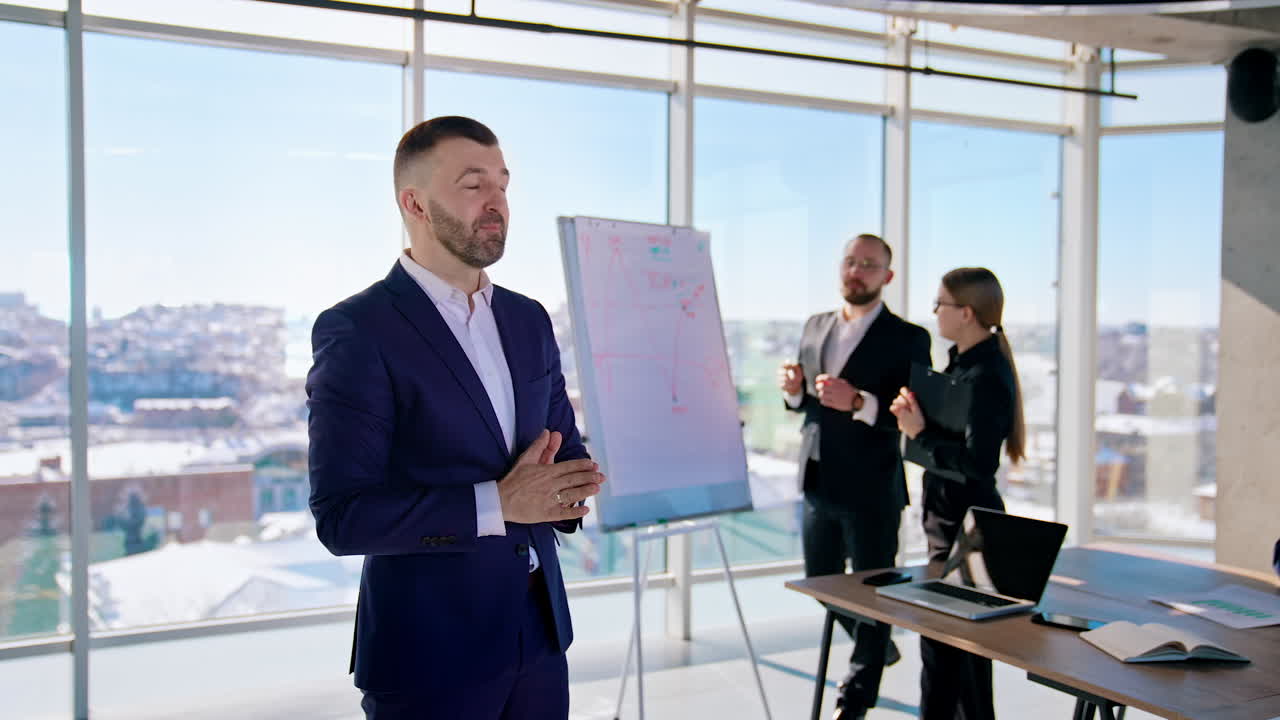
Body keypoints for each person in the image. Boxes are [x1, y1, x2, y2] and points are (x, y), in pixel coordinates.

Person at [306, 116, 605, 720]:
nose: (497, 202)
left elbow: (561, 452)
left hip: (539, 636)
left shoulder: (529, 319)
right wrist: (500, 502)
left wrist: (573, 485)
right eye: (474, 185)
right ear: (414, 203)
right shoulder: (359, 330)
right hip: (429, 656)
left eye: (503, 184)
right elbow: (343, 518)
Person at [778, 233, 932, 720]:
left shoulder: (910, 338)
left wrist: (861, 402)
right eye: (850, 261)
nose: (856, 271)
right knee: (821, 584)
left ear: (886, 277)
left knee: (873, 594)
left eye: (869, 265)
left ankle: (856, 699)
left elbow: (914, 419)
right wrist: (795, 393)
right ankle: (878, 643)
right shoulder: (814, 325)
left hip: (874, 489)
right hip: (818, 479)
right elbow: (807, 407)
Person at [890, 267, 1025, 720]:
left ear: (965, 313)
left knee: (961, 668)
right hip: (948, 525)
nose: (934, 314)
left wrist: (919, 433)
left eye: (940, 305)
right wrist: (915, 420)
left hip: (970, 530)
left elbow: (978, 464)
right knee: (945, 662)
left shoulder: (986, 373)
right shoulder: (962, 363)